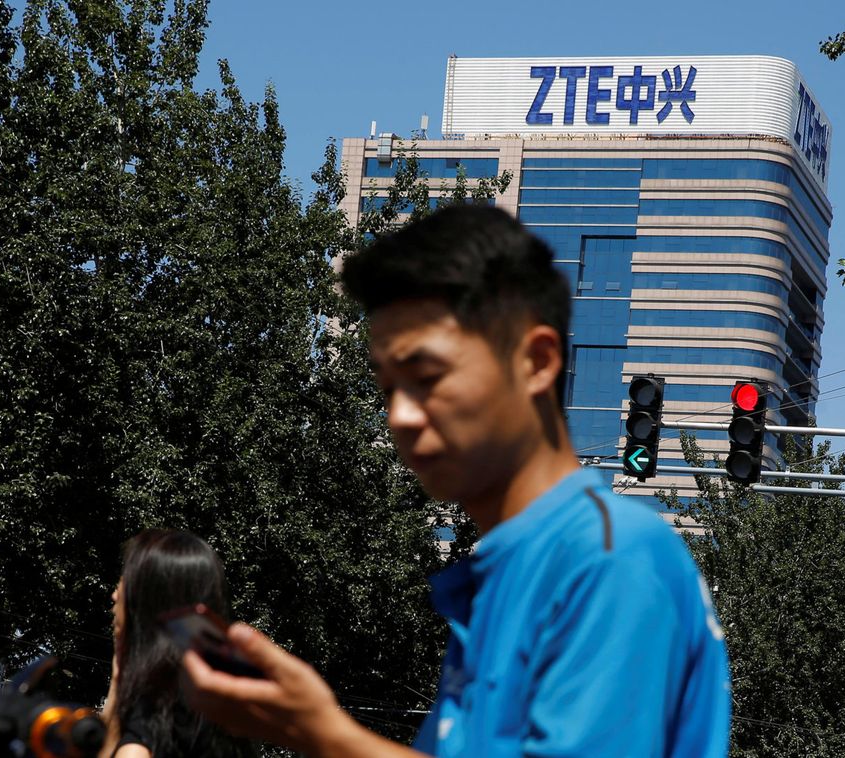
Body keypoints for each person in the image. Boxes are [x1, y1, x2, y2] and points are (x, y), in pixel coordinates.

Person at [178, 206, 731, 756]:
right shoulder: (509, 569)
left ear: (536, 361)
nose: (400, 415)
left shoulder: (609, 559)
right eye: (388, 386)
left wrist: (323, 734)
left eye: (426, 378)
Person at [101, 529, 249, 758]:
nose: (114, 595)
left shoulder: (154, 713)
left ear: (146, 602)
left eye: (125, 582)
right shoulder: (218, 703)